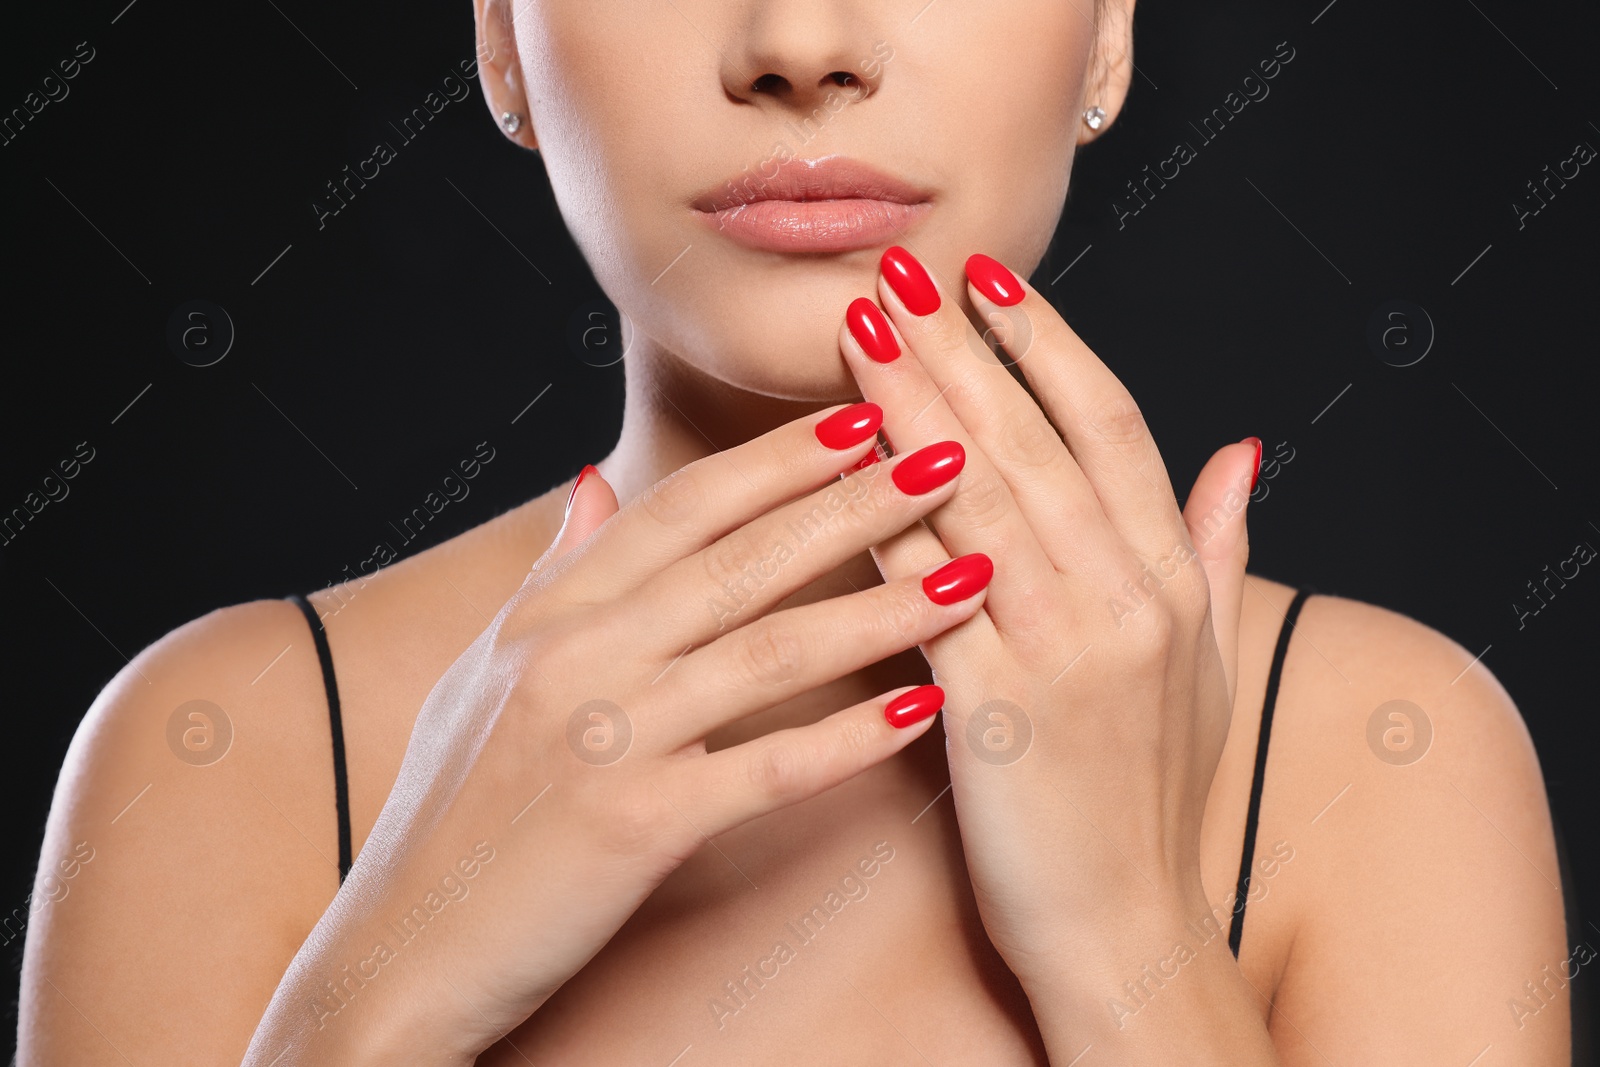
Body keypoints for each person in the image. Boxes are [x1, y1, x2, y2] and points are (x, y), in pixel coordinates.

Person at [18, 0, 1569, 1063]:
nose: (799, 46)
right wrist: (381, 1001)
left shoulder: (1384, 751)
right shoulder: (218, 752)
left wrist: (1126, 944)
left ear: (1106, 27)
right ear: (499, 33)